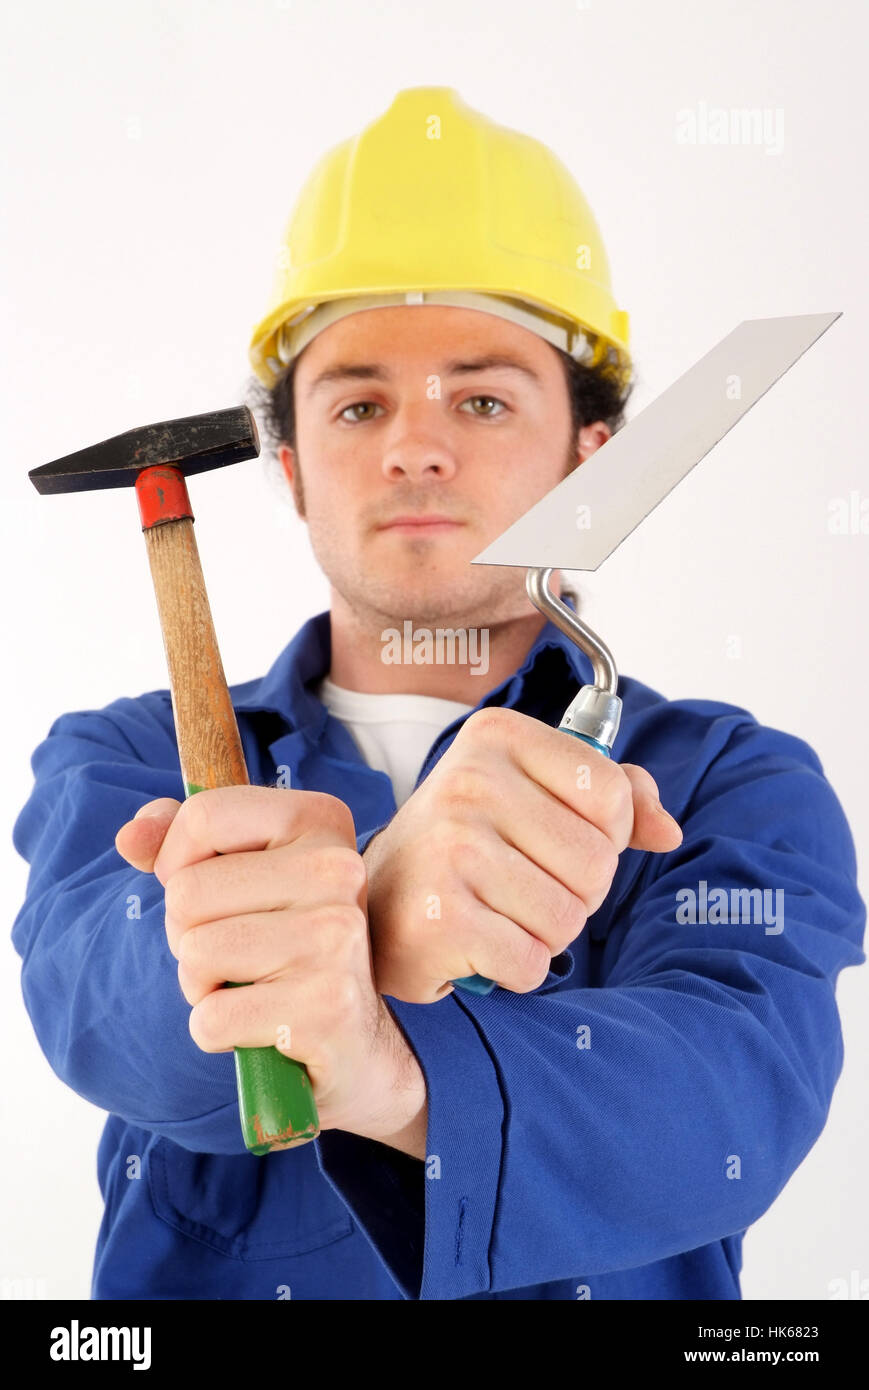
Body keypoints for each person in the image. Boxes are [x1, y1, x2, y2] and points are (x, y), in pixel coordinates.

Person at [12, 86, 865, 1301]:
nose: (415, 446)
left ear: (592, 449)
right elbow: (98, 1019)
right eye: (359, 402)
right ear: (292, 467)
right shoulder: (127, 762)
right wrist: (341, 920)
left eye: (481, 397)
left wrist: (384, 1060)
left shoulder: (729, 782)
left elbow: (730, 1101)